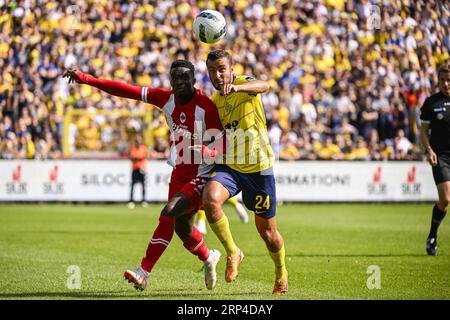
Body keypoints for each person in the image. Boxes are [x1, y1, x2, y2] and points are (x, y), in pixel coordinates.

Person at [63, 60, 222, 291]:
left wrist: (210, 152)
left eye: (184, 79)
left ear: (193, 81)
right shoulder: (165, 98)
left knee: (168, 212)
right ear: (170, 81)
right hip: (179, 172)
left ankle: (143, 271)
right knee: (182, 228)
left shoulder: (206, 107)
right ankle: (209, 257)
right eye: (175, 79)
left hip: (201, 173)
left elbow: (223, 141)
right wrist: (87, 79)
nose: (180, 83)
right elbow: (126, 90)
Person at [202, 50, 288, 295]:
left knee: (268, 233)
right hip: (230, 166)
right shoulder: (214, 102)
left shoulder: (244, 84)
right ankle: (233, 252)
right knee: (210, 199)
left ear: (231, 69)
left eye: (222, 69)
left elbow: (266, 85)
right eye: (212, 71)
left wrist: (237, 88)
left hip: (258, 169)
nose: (217, 75)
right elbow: (218, 137)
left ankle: (281, 272)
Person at [419, 61, 450, 256]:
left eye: (448, 80)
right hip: (441, 156)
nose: (446, 84)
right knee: (446, 199)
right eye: (443, 81)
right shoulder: (431, 103)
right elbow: (423, 132)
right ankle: (432, 236)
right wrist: (428, 149)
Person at [128, 134, 149, 209]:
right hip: (135, 168)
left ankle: (143, 200)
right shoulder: (133, 148)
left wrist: (137, 158)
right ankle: (131, 201)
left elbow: (145, 156)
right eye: (136, 141)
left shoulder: (144, 148)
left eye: (139, 140)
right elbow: (132, 157)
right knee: (133, 185)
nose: (138, 142)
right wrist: (139, 158)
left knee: (143, 185)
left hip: (142, 169)